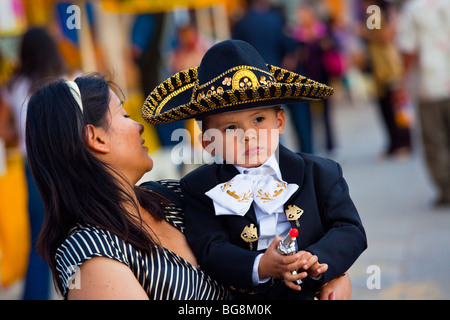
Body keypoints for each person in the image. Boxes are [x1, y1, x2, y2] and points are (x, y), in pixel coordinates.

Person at [142, 40, 367, 299]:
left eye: (259, 119)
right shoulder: (199, 187)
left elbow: (350, 229)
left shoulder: (321, 172)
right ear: (208, 142)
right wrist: (261, 266)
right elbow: (210, 249)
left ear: (280, 122)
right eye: (230, 128)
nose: (248, 135)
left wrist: (318, 261)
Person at [25, 73, 228, 299]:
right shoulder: (90, 250)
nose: (139, 126)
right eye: (125, 114)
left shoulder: (171, 196)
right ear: (96, 138)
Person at [1, 26, 68, 299]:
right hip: (60, 162)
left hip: (31, 167)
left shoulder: (13, 86)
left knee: (39, 238)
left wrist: (20, 135)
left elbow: (7, 131)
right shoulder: (62, 81)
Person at [396, 0, 450, 207]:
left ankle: (446, 189)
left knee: (434, 139)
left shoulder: (414, 9)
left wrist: (403, 83)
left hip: (430, 83)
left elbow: (409, 49)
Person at [360, 0, 412, 159]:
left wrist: (361, 32)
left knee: (392, 108)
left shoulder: (374, 11)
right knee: (390, 107)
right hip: (384, 66)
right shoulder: (382, 10)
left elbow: (380, 34)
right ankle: (397, 143)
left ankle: (401, 143)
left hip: (385, 66)